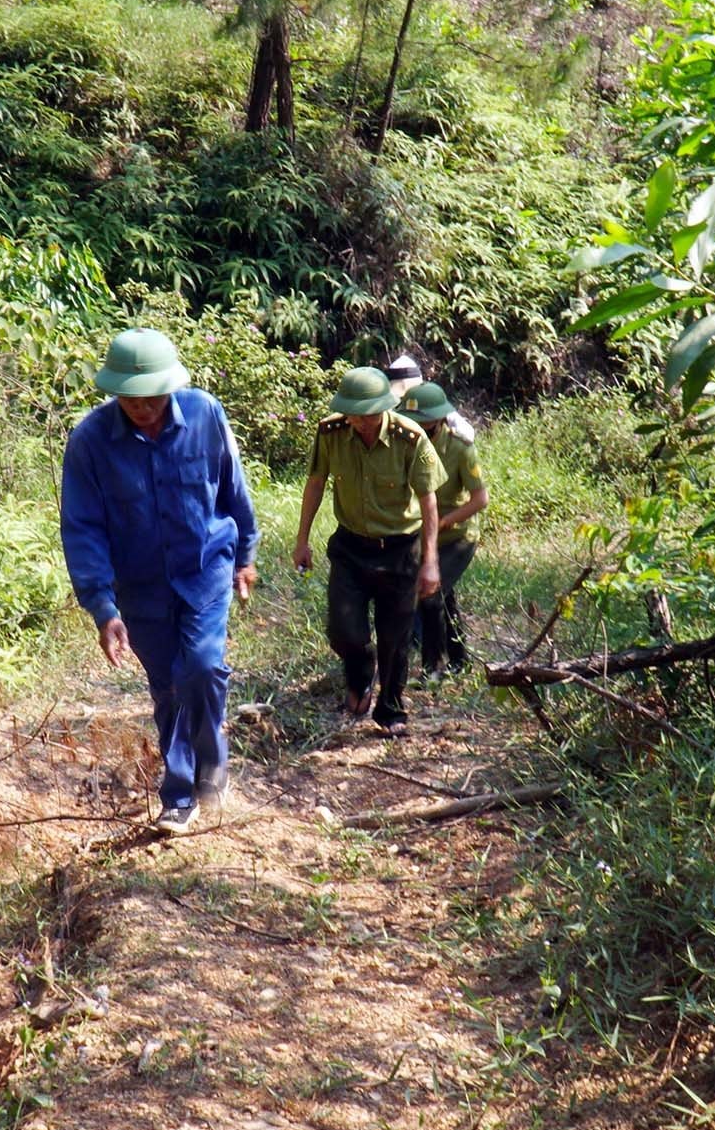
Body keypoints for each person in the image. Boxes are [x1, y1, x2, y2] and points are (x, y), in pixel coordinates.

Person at [59, 329, 259, 835]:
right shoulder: (90, 443)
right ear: (115, 393)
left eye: (152, 398)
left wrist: (246, 556)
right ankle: (181, 794)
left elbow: (233, 488)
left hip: (205, 567)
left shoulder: (205, 414)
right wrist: (103, 608)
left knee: (202, 667)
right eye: (131, 400)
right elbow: (83, 528)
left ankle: (200, 775)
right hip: (140, 586)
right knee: (168, 687)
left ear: (171, 387)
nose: (144, 409)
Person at [292, 366, 443, 736]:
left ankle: (390, 709)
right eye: (354, 414)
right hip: (351, 547)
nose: (361, 422)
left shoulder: (411, 438)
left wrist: (430, 561)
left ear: (384, 407)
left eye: (369, 414)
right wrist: (302, 539)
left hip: (399, 549)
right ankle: (360, 674)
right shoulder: (331, 432)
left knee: (396, 637)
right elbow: (315, 482)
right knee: (344, 631)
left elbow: (428, 502)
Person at [398, 382, 486, 676]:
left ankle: (433, 668)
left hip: (458, 535)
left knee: (430, 594)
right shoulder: (410, 445)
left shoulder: (460, 448)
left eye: (424, 424)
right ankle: (460, 659)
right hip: (424, 535)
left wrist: (445, 521)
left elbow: (479, 499)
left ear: (438, 420)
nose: (418, 429)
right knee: (443, 596)